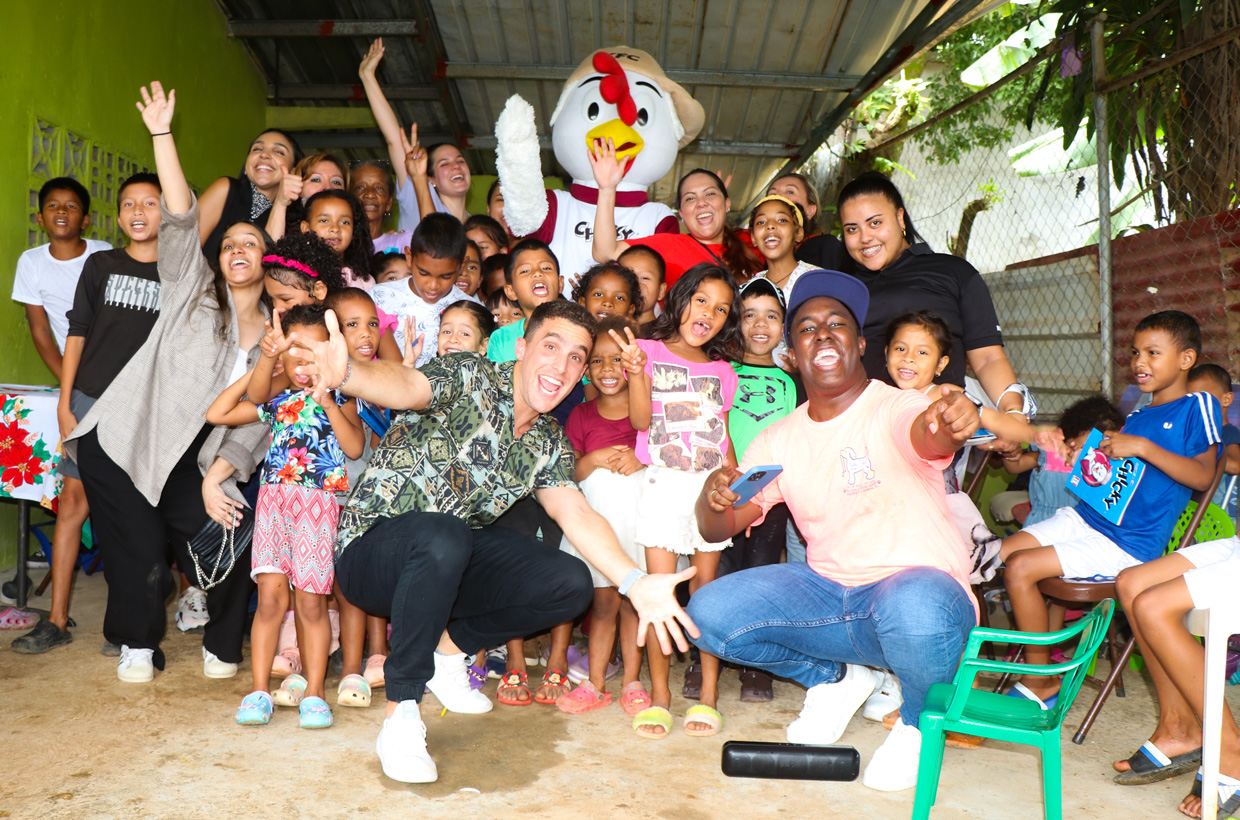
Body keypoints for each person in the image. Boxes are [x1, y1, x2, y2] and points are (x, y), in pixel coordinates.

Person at [285, 298, 698, 783]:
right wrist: (349, 374)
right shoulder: (469, 375)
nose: (561, 366)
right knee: (444, 531)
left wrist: (634, 581)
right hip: (371, 552)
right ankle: (401, 712)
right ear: (520, 348)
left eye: (575, 357)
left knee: (568, 582)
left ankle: (448, 652)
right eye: (550, 346)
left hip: (447, 560)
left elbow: (576, 512)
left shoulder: (546, 440)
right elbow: (409, 386)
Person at [690, 268, 981, 792]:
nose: (822, 335)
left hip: (916, 601)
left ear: (860, 343)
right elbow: (721, 525)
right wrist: (712, 496)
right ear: (792, 355)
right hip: (830, 598)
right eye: (806, 328)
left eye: (837, 324)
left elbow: (928, 433)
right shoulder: (778, 438)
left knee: (917, 602)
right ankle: (837, 678)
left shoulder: (897, 404)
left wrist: (949, 418)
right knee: (708, 615)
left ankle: (918, 722)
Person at [64, 81, 270, 683]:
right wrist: (162, 134)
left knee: (230, 536)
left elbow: (260, 415)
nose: (236, 248)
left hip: (199, 459)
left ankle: (223, 643)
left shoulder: (274, 338)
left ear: (267, 259)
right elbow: (180, 215)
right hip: (128, 437)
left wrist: (219, 475)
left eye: (249, 242)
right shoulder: (189, 289)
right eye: (227, 241)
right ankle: (136, 642)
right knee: (138, 551)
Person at [1000, 310, 1221, 708]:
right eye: (1136, 352)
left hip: (1126, 544)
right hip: (1085, 518)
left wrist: (1142, 448)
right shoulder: (1137, 415)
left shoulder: (1196, 406)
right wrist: (1083, 457)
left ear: (1186, 359)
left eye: (1153, 353)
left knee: (1021, 567)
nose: (1139, 362)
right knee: (1000, 556)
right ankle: (1025, 665)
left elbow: (1204, 477)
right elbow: (1114, 484)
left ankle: (1042, 679)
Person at [207, 305, 364, 729]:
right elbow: (217, 414)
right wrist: (265, 359)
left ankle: (314, 693)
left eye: (311, 353)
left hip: (319, 506)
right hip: (274, 505)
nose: (301, 363)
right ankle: (258, 692)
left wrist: (328, 398)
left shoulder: (345, 397)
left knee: (311, 603)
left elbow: (352, 448)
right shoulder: (278, 401)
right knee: (271, 601)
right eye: (293, 352)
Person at [612, 262, 741, 740]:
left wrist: (735, 485)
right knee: (660, 594)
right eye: (702, 299)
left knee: (706, 595)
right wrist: (637, 372)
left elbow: (723, 438)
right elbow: (642, 421)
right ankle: (662, 696)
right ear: (680, 299)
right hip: (664, 485)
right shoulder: (645, 351)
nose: (709, 312)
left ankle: (708, 694)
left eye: (722, 308)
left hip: (710, 489)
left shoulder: (724, 372)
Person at [9, 178, 135, 654]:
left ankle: (133, 622)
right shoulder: (31, 262)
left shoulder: (104, 256)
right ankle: (57, 620)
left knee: (134, 501)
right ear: (40, 217)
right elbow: (43, 333)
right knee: (72, 500)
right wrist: (73, 390)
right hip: (80, 391)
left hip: (125, 388)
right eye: (52, 206)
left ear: (88, 218)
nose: (62, 212)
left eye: (72, 206)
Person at [838, 172, 1030, 418]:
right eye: (852, 229)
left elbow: (988, 357)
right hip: (863, 429)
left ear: (900, 218)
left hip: (943, 427)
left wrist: (1013, 412)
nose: (865, 238)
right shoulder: (841, 286)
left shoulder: (953, 272)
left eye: (875, 223)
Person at [552, 316, 649, 717]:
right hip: (598, 523)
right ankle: (595, 683)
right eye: (598, 361)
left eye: (619, 360)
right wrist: (590, 459)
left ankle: (631, 682)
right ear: (586, 368)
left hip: (638, 522)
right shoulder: (581, 416)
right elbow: (571, 472)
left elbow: (653, 439)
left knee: (635, 603)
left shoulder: (647, 410)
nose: (608, 369)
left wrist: (640, 460)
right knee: (605, 605)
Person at [590, 141, 760, 288]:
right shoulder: (669, 246)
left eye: (710, 194)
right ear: (682, 214)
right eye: (690, 198)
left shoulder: (752, 239)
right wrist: (607, 189)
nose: (701, 202)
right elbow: (605, 252)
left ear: (727, 204)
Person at [360, 38, 471, 229]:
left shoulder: (477, 224)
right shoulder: (418, 193)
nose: (456, 166)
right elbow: (394, 139)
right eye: (445, 163)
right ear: (430, 179)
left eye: (460, 160)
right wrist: (367, 76)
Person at [371, 213, 477, 368]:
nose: (433, 285)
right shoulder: (379, 297)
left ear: (461, 266)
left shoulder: (469, 309)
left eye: (445, 276)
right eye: (423, 273)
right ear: (409, 257)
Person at [198, 127, 301, 262]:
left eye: (279, 152)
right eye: (257, 149)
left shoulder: (294, 221)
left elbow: (268, 267)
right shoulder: (226, 189)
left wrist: (280, 204)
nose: (264, 155)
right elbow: (183, 247)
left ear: (293, 172)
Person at [485, 239, 564, 364]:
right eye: (525, 271)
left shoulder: (577, 332)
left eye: (546, 268)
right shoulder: (501, 338)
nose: (538, 273)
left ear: (560, 283)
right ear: (511, 291)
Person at [764, 172, 851, 272]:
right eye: (772, 194)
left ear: (811, 210)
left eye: (790, 192)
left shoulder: (826, 246)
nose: (778, 197)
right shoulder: (769, 255)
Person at [1187, 364, 1239, 518]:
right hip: (1193, 513)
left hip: (1218, 515)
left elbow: (1236, 465)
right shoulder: (1193, 436)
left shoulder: (1228, 433)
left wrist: (1199, 455)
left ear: (1226, 399)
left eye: (1204, 400)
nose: (1197, 407)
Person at [300, 190, 374, 290]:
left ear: (353, 232)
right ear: (306, 229)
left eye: (344, 222)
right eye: (324, 220)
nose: (335, 228)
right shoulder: (296, 275)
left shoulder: (365, 282)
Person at [619, 245, 666, 337]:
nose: (636, 283)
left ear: (661, 290)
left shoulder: (666, 337)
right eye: (627, 276)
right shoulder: (602, 329)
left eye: (645, 278)